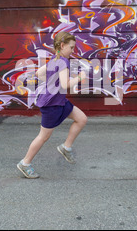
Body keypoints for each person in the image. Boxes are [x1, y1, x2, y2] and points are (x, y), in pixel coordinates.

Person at [16, 31, 88, 179]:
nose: (73, 51)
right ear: (62, 46)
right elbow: (65, 84)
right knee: (43, 137)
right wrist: (80, 77)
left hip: (60, 102)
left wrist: (51, 84)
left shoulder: (55, 60)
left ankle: (65, 147)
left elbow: (39, 74)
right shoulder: (63, 62)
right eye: (71, 47)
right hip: (51, 105)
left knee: (81, 119)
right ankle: (25, 163)